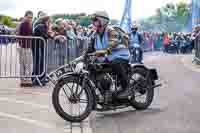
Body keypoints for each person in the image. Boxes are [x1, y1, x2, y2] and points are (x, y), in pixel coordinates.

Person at [87, 11, 130, 98]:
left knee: (116, 64)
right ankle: (105, 91)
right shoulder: (95, 35)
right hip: (107, 58)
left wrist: (103, 52)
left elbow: (112, 44)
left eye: (95, 20)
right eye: (93, 20)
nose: (93, 22)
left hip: (120, 56)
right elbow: (89, 49)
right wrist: (82, 58)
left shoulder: (111, 31)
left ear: (102, 20)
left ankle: (126, 88)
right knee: (91, 67)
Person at [17, 10, 34, 87]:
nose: (30, 18)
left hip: (28, 46)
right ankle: (24, 80)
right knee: (23, 64)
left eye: (31, 17)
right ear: (25, 16)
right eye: (29, 17)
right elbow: (20, 35)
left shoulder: (29, 24)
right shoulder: (23, 24)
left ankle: (27, 79)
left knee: (28, 64)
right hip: (23, 47)